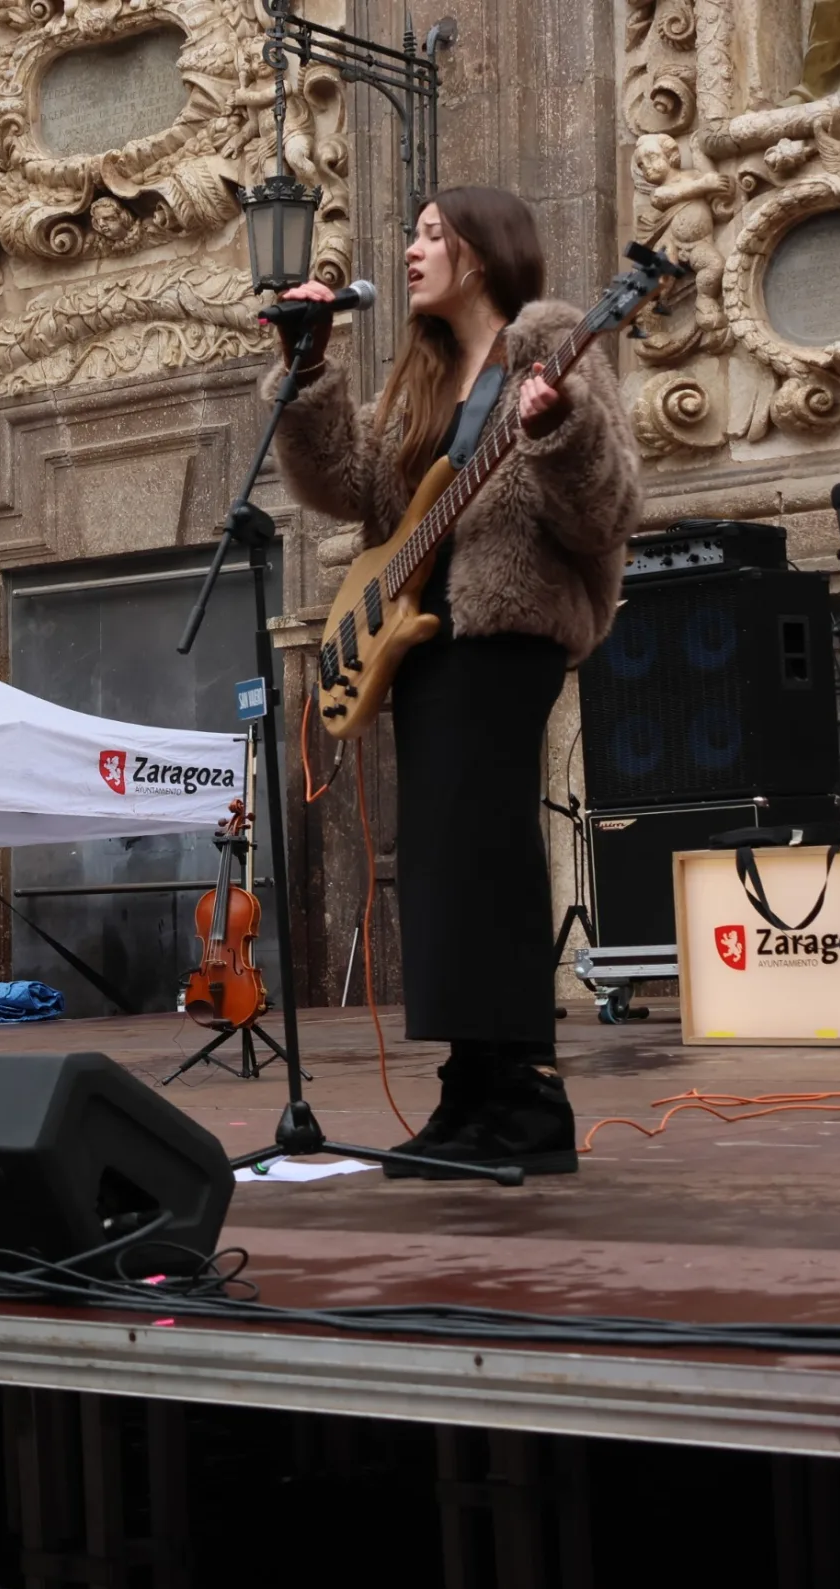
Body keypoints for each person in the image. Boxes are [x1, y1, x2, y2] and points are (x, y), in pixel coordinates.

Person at [266, 187, 642, 1177]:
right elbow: (352, 490)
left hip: (506, 630)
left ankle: (525, 1098)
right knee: (437, 870)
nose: (410, 250)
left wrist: (557, 432)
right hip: (419, 638)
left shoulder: (552, 348)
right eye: (413, 234)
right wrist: (308, 367)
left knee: (487, 858)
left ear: (481, 252)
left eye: (432, 234)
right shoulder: (424, 383)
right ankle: (469, 1092)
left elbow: (608, 511)